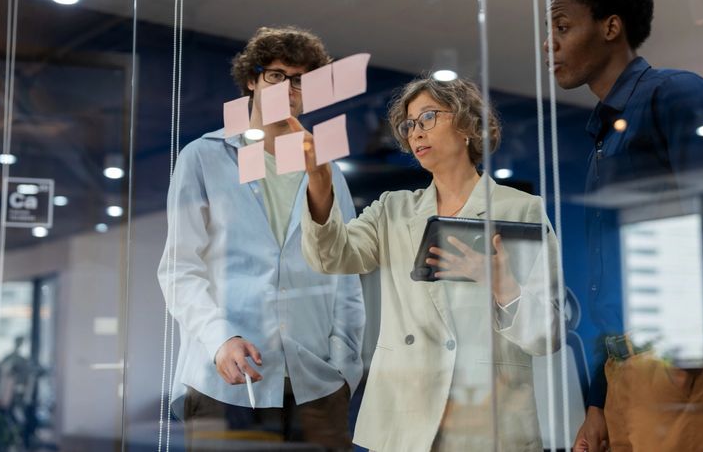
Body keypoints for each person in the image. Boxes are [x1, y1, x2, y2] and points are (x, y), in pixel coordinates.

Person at [544, 0, 703, 452]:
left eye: (562, 25)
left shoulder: (677, 95)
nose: (549, 43)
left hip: (682, 362)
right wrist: (599, 399)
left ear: (611, 27)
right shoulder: (604, 131)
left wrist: (685, 356)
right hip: (628, 369)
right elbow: (609, 281)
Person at [293, 76, 561, 451]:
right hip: (406, 411)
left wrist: (502, 286)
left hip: (488, 416)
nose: (415, 132)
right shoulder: (392, 209)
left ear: (468, 125)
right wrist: (320, 182)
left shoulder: (521, 210)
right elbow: (331, 256)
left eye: (428, 117)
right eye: (409, 124)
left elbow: (546, 335)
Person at [157, 26, 364, 451]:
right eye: (276, 75)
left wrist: (344, 369)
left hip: (315, 386)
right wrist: (220, 339)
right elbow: (180, 269)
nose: (288, 88)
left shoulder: (324, 171)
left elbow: (345, 276)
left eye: (301, 81)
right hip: (227, 382)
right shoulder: (203, 157)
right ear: (251, 80)